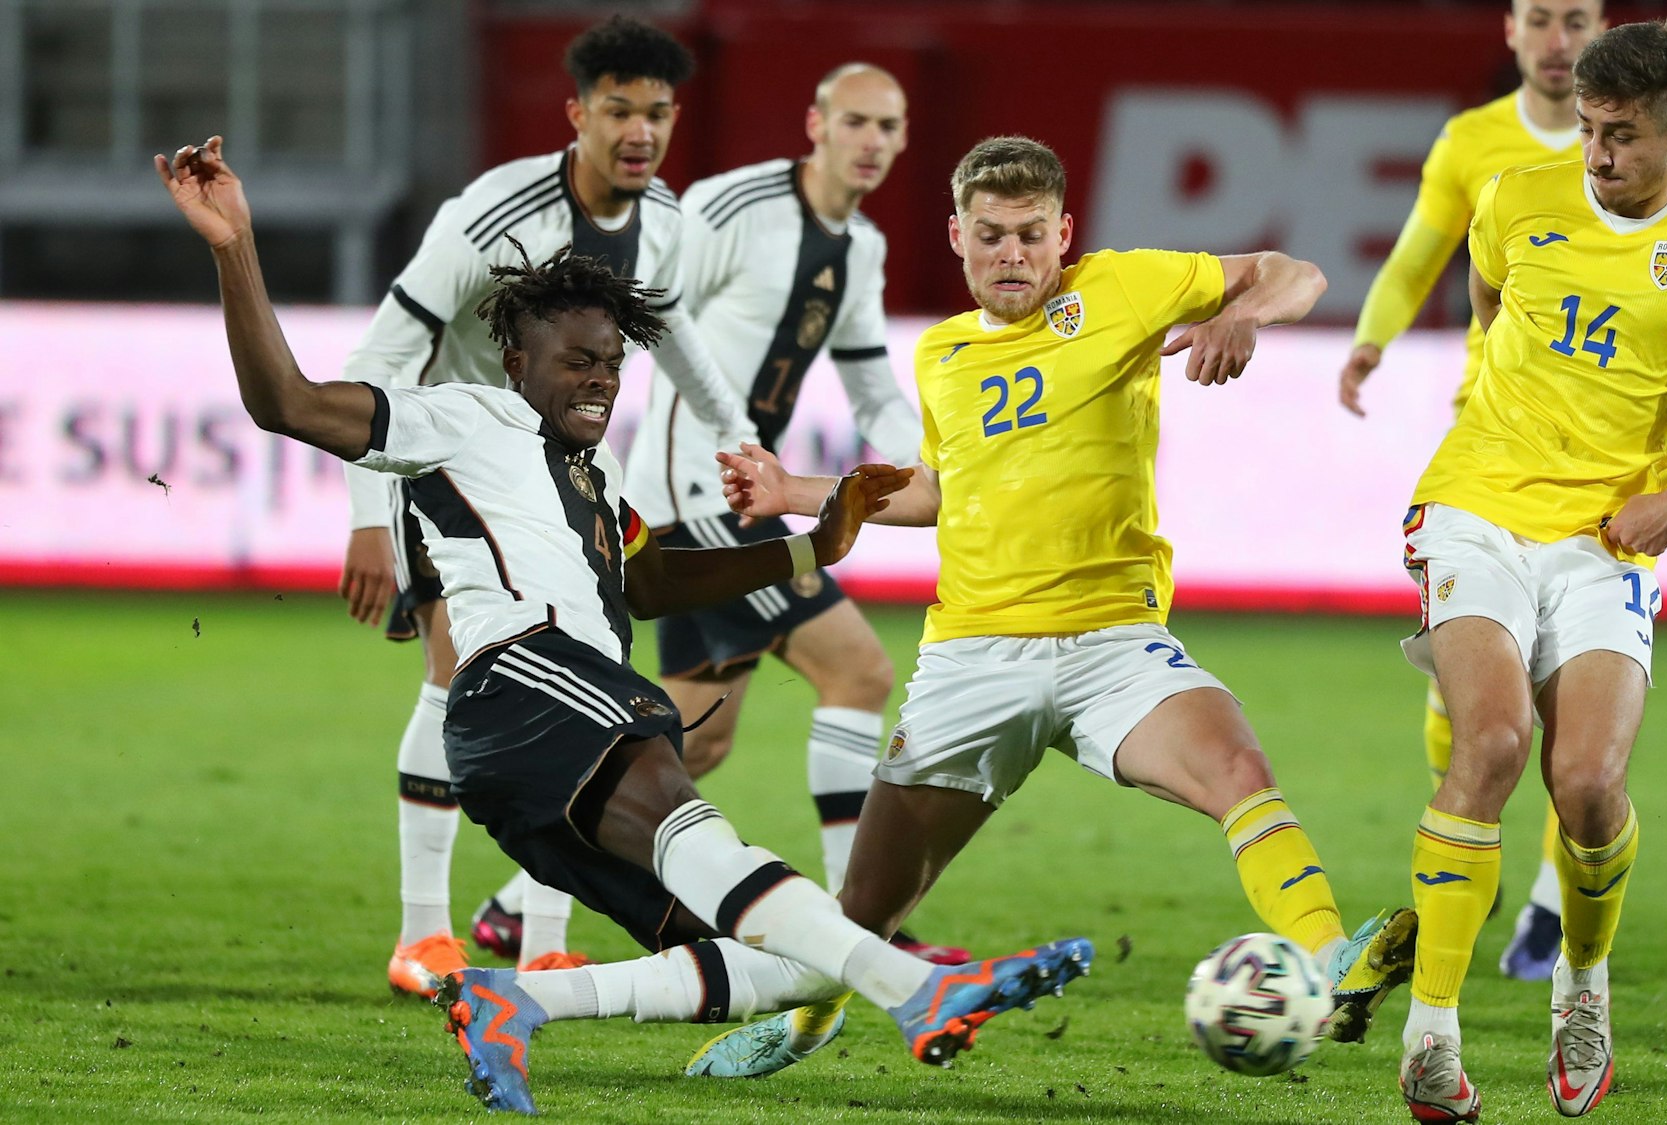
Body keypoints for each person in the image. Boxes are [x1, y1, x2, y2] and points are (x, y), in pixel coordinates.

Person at [159, 134, 1092, 1116]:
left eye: (610, 363)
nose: (600, 380)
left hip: (537, 748)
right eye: (575, 362)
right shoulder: (471, 417)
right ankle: (922, 994)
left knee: (761, 950)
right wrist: (234, 248)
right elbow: (288, 402)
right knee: (717, 851)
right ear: (517, 359)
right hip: (526, 681)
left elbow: (651, 582)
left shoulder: (593, 487)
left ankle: (514, 999)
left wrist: (818, 544)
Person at [684, 136, 1418, 1079]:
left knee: (1236, 765)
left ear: (1063, 232)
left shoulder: (1123, 287)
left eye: (1031, 234)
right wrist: (793, 491)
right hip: (972, 659)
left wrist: (1242, 311)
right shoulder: (945, 354)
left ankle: (1328, 960)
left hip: (1114, 638)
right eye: (990, 236)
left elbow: (1299, 272)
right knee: (865, 909)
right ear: (956, 236)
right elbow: (944, 487)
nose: (1012, 255)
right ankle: (803, 1022)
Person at [1389, 21, 1667, 1121]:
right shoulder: (1516, 196)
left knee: (1584, 787)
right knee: (1489, 743)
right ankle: (1429, 1038)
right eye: (1586, 131)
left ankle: (1581, 989)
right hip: (1477, 510)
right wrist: (1475, 440)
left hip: (1609, 540)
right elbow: (1490, 304)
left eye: (1621, 137)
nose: (1594, 156)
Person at [337, 15, 764, 996]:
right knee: (455, 678)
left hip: (571, 483)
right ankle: (421, 935)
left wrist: (739, 440)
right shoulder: (492, 214)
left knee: (591, 682)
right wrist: (366, 516)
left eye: (656, 112)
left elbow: (678, 336)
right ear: (576, 113)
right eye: (618, 108)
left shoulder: (664, 220)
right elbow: (378, 363)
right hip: (457, 470)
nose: (639, 130)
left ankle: (540, 945)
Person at [1336, 0, 1667, 984]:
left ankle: (1539, 907)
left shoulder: (1655, 147)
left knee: (1575, 757)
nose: (1558, 40)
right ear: (1511, 34)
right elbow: (1424, 252)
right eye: (1541, 20)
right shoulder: (1477, 148)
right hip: (1497, 449)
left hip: (1603, 473)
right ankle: (1472, 895)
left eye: (1575, 19)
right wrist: (1371, 340)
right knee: (1477, 715)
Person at [621, 64, 963, 964]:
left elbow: (867, 377)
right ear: (814, 121)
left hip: (746, 495)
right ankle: (859, 922)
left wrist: (919, 460)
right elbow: (647, 309)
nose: (873, 142)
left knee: (697, 737)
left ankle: (518, 896)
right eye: (855, 121)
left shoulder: (861, 245)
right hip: (695, 498)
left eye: (889, 127)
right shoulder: (734, 205)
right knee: (857, 669)